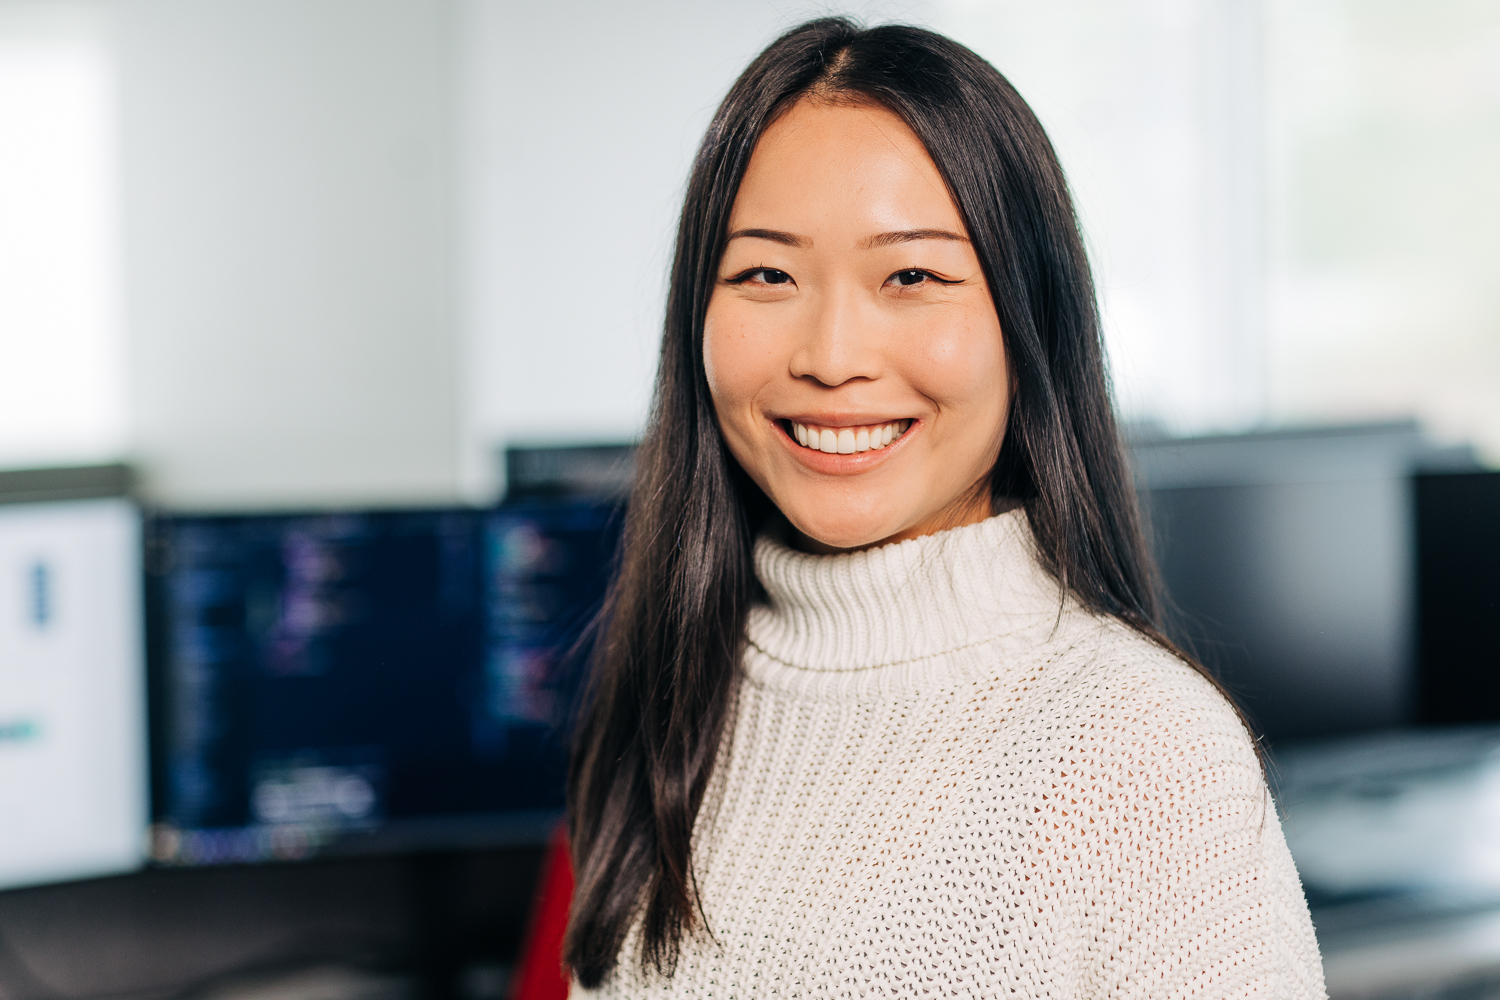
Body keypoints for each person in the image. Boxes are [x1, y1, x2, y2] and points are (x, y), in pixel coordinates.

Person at [563, 17, 1326, 998]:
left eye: (912, 276)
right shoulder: (674, 695)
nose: (831, 356)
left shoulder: (1144, 752)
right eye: (767, 274)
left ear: (1026, 317)